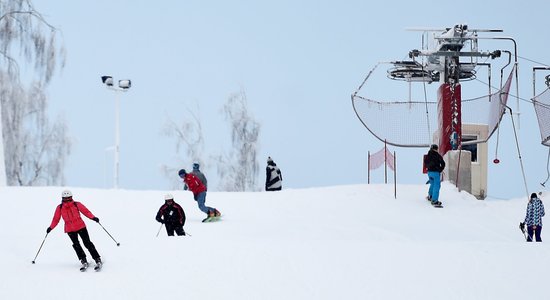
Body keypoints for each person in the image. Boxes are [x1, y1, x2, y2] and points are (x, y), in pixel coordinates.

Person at [47, 190, 102, 269]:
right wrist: (50, 227)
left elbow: (86, 212)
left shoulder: (77, 204)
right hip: (70, 229)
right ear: (62, 198)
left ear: (71, 197)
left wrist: (93, 217)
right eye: (65, 198)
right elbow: (56, 219)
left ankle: (97, 259)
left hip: (81, 226)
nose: (67, 200)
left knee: (87, 243)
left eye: (68, 198)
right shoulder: (59, 208)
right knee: (76, 245)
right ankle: (83, 260)